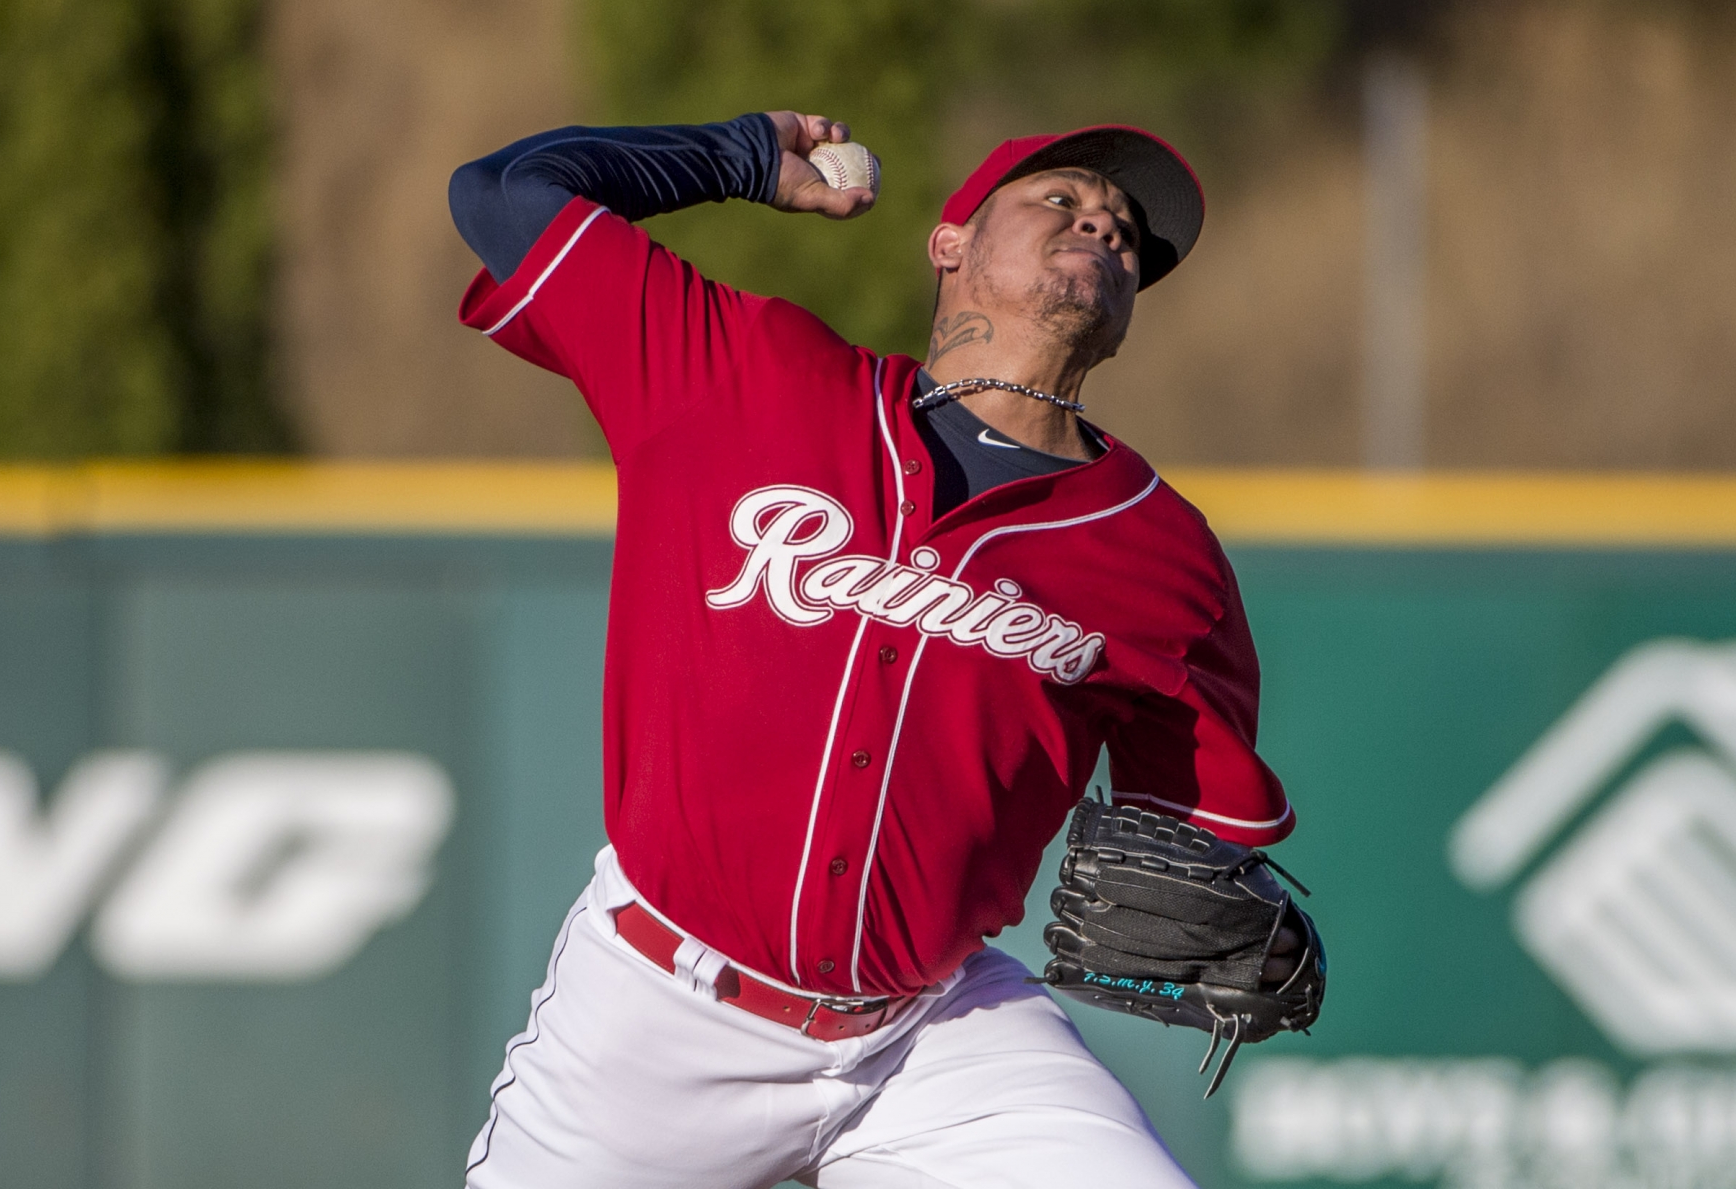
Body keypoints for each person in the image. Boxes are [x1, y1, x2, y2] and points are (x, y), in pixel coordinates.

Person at [448, 110, 1302, 1189]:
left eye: (1127, 231)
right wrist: (741, 156)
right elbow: (501, 195)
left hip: (934, 1035)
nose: (1105, 225)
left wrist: (1252, 932)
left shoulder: (1159, 552)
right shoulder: (740, 372)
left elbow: (1195, 831)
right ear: (948, 242)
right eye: (1063, 199)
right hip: (654, 1015)